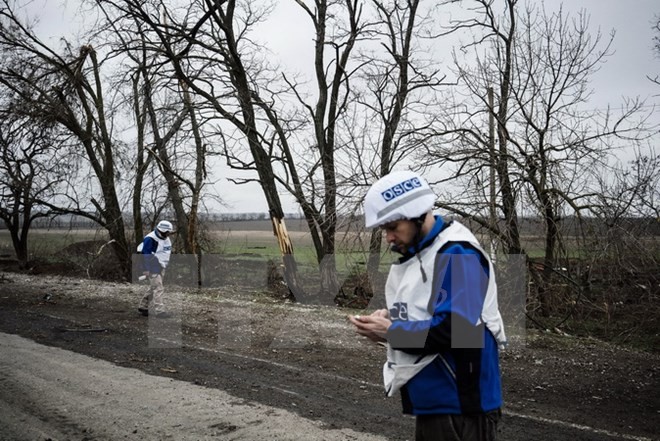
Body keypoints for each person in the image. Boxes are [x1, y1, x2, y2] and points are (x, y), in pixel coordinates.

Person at [349, 170, 507, 441]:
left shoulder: (459, 253)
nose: (388, 238)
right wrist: (386, 322)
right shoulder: (425, 253)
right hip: (438, 401)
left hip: (460, 405)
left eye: (392, 227)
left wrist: (392, 331)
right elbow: (427, 312)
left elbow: (457, 331)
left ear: (417, 215)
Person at [137, 220, 174, 318]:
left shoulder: (165, 238)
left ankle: (143, 306)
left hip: (161, 266)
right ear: (162, 230)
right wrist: (146, 269)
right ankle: (160, 311)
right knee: (158, 288)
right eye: (167, 232)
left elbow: (165, 253)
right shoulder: (150, 239)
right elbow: (145, 255)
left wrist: (165, 265)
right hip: (153, 267)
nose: (168, 234)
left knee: (153, 287)